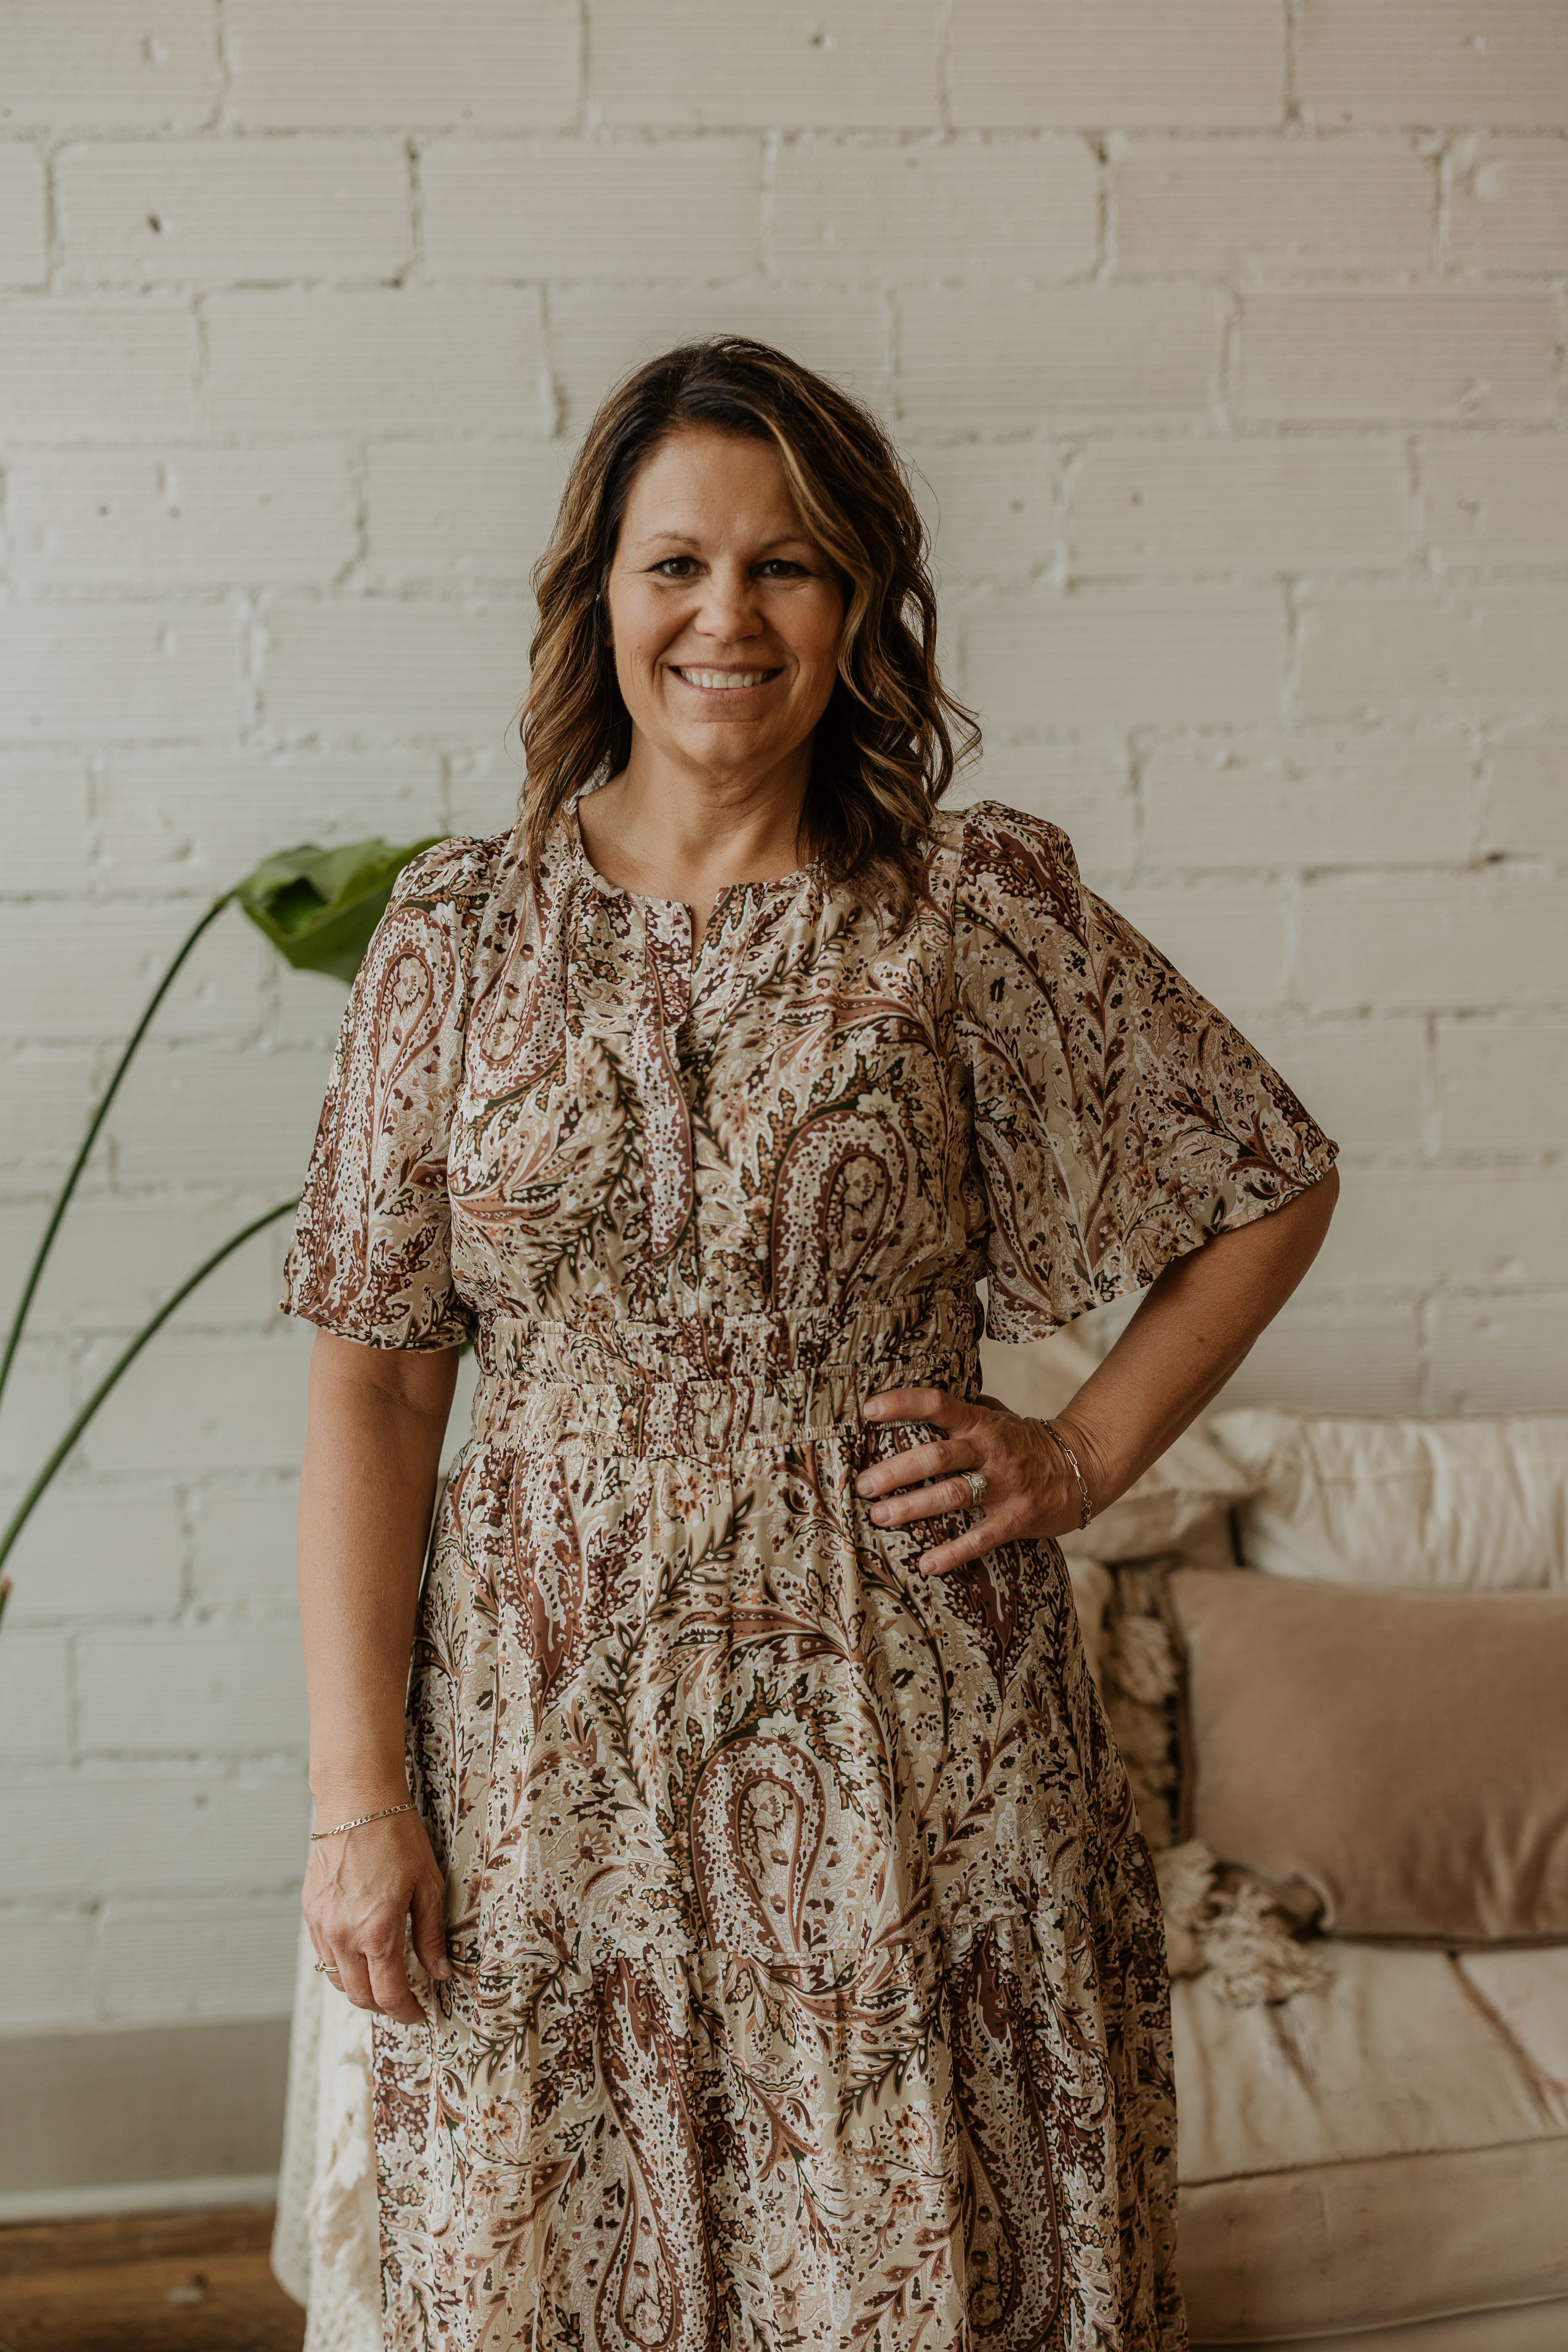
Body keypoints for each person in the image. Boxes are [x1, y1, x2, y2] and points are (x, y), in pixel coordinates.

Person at [283, 335, 1338, 2352]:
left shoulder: (962, 910)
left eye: (788, 565)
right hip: (536, 1750)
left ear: (857, 604)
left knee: (905, 2261)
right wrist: (359, 1798)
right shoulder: (456, 937)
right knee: (539, 2263)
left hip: (909, 1738)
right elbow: (379, 1372)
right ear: (601, 594)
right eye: (677, 563)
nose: (729, 616)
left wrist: (1083, 1454)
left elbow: (1265, 1180)